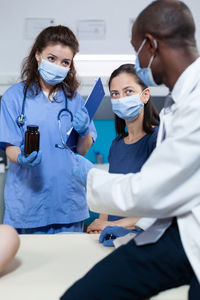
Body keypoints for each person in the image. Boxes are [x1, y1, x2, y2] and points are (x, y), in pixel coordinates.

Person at [61, 0, 200, 299]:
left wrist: (89, 176)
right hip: (177, 229)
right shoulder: (182, 100)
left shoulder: (196, 103)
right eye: (115, 94)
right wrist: (131, 226)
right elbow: (178, 188)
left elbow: (151, 189)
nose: (137, 60)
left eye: (136, 50)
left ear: (150, 44)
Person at [0, 25, 97, 234]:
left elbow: (82, 149)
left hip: (67, 202)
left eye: (65, 62)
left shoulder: (74, 99)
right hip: (27, 205)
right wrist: (22, 157)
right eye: (51, 58)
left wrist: (84, 131)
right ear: (38, 54)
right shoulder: (14, 97)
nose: (58, 65)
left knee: (70, 265)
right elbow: (10, 147)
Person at [87, 64, 159, 236]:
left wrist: (116, 225)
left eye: (128, 92)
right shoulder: (117, 144)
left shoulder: (158, 139)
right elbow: (110, 195)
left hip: (139, 236)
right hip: (110, 234)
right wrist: (100, 223)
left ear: (145, 95)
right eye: (115, 94)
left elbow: (159, 207)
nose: (121, 99)